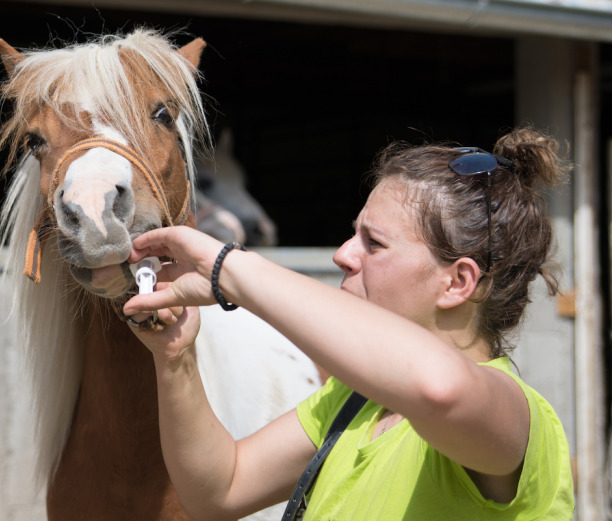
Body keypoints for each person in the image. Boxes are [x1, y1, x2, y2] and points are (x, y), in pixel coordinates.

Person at [122, 126, 575, 520]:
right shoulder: (355, 401)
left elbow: (441, 389)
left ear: (457, 283)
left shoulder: (515, 415)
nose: (342, 254)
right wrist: (175, 357)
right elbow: (220, 490)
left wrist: (229, 269)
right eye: (353, 233)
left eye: (373, 243)